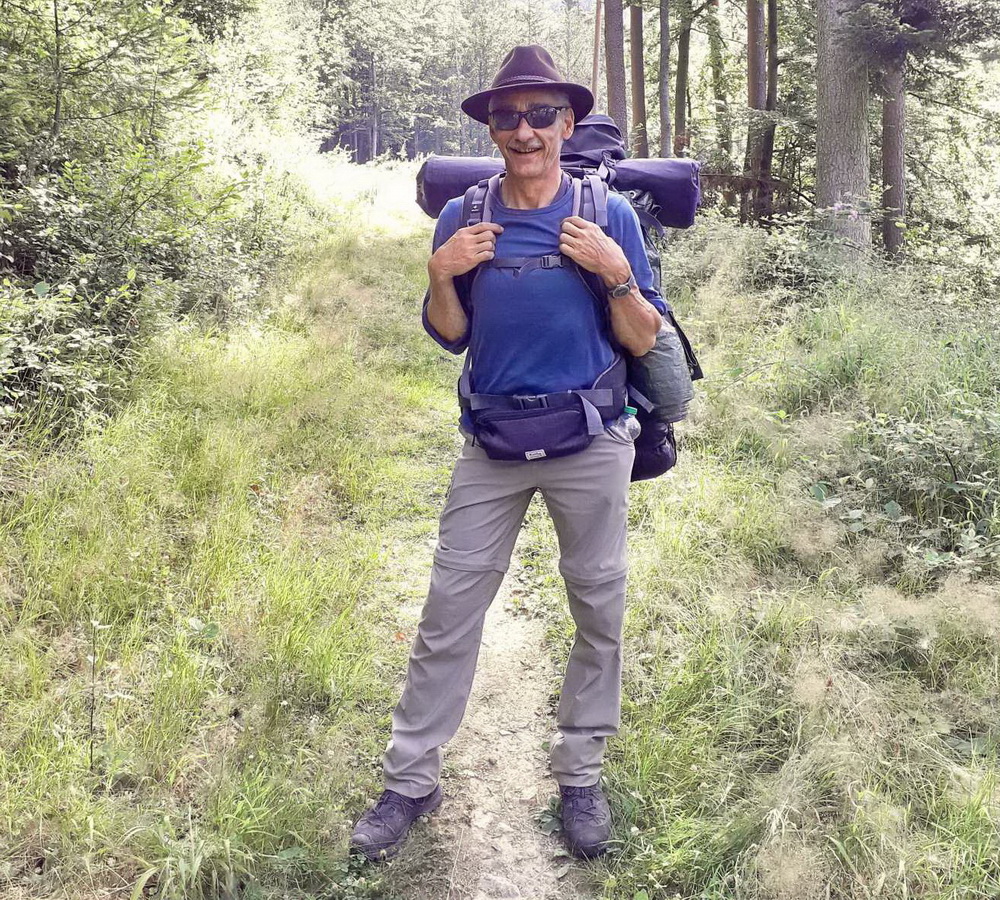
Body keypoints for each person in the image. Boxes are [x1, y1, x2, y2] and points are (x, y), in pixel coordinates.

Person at [350, 45, 664, 862]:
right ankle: (410, 781)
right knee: (448, 612)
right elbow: (450, 335)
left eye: (540, 115)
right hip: (490, 443)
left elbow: (645, 337)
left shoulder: (609, 216)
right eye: (507, 116)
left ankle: (581, 775)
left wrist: (617, 273)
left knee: (599, 612)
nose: (523, 131)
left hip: (589, 441)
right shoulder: (465, 214)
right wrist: (441, 273)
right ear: (491, 127)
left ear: (567, 123)